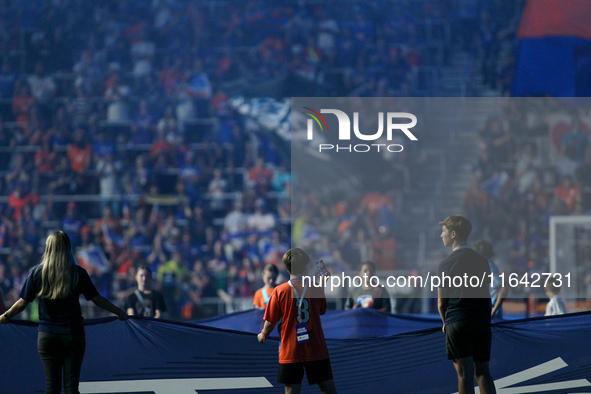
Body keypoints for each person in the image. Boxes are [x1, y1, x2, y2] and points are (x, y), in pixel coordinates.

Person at [0, 231, 129, 394]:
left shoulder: (37, 273)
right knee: (71, 388)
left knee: (52, 387)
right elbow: (96, 299)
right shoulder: (78, 272)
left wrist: (6, 316)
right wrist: (119, 312)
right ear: (68, 248)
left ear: (48, 248)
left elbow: (22, 303)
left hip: (47, 335)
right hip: (73, 334)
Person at [257, 248, 337, 394]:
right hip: (315, 347)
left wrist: (263, 335)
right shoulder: (315, 287)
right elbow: (321, 311)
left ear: (287, 268)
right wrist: (322, 285)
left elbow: (270, 321)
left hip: (290, 349)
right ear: (306, 266)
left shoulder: (279, 291)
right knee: (327, 388)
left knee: (291, 390)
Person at [437, 215, 496, 394]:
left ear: (453, 234)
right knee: (483, 372)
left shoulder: (445, 264)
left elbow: (441, 302)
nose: (441, 235)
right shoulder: (482, 260)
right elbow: (486, 296)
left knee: (464, 373)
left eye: (444, 231)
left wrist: (444, 323)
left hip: (458, 320)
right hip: (481, 321)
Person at [473, 239, 508, 319]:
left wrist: (493, 311)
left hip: (491, 318)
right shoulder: (482, 267)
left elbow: (503, 289)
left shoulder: (489, 267)